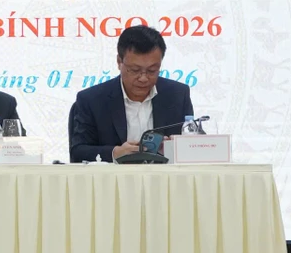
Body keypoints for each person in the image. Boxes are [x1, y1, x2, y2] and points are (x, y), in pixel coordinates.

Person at [68, 25, 195, 162]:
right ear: (119, 62)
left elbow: (192, 146)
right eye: (135, 70)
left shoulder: (177, 95)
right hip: (113, 175)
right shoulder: (92, 100)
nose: (143, 78)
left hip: (165, 175)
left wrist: (174, 147)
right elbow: (78, 152)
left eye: (152, 70)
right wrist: (114, 153)